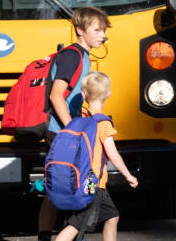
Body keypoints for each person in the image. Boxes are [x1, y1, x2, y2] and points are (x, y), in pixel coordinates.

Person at [38, 6, 111, 241]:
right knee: (71, 184)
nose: (103, 35)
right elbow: (56, 95)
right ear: (80, 30)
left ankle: (48, 236)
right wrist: (73, 130)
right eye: (97, 30)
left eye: (103, 30)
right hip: (63, 133)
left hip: (64, 132)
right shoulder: (73, 55)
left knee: (58, 187)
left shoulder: (82, 55)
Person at [54, 71, 138, 241]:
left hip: (84, 178)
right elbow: (112, 154)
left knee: (112, 217)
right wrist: (128, 175)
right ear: (109, 94)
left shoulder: (80, 117)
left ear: (84, 94)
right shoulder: (103, 123)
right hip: (92, 183)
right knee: (76, 224)